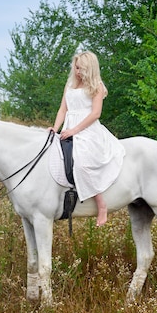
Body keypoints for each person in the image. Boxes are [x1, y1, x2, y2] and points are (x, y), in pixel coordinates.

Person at [49, 51, 125, 226]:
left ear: (90, 69)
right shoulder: (69, 85)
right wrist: (56, 128)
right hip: (68, 127)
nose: (77, 72)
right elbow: (63, 109)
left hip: (87, 129)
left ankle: (101, 205)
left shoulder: (96, 86)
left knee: (82, 162)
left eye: (81, 69)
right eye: (76, 68)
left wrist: (75, 130)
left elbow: (95, 113)